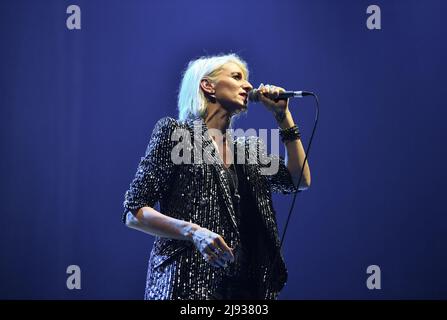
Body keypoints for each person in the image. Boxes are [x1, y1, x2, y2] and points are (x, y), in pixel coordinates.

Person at [122, 53, 311, 300]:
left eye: (247, 79)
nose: (248, 86)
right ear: (208, 86)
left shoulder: (250, 150)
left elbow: (298, 181)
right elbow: (134, 212)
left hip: (246, 290)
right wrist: (194, 232)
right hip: (186, 286)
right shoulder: (176, 134)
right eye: (236, 77)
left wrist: (283, 117)